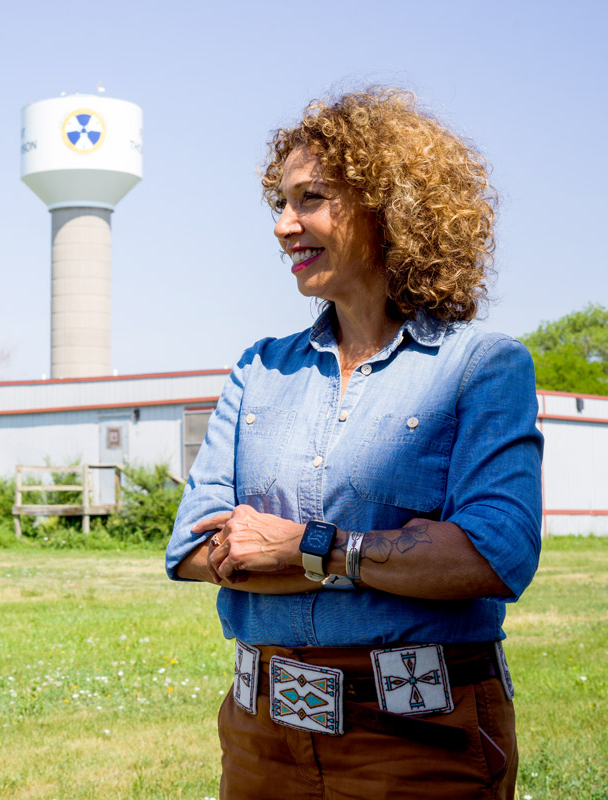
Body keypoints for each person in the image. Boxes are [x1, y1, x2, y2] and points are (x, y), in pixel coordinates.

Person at [165, 87, 543, 800]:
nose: (283, 226)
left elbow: (495, 556)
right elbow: (192, 549)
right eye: (279, 203)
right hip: (259, 740)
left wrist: (302, 548)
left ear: (388, 206)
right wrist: (399, 556)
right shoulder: (259, 367)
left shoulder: (482, 367)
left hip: (423, 740)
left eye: (309, 199)